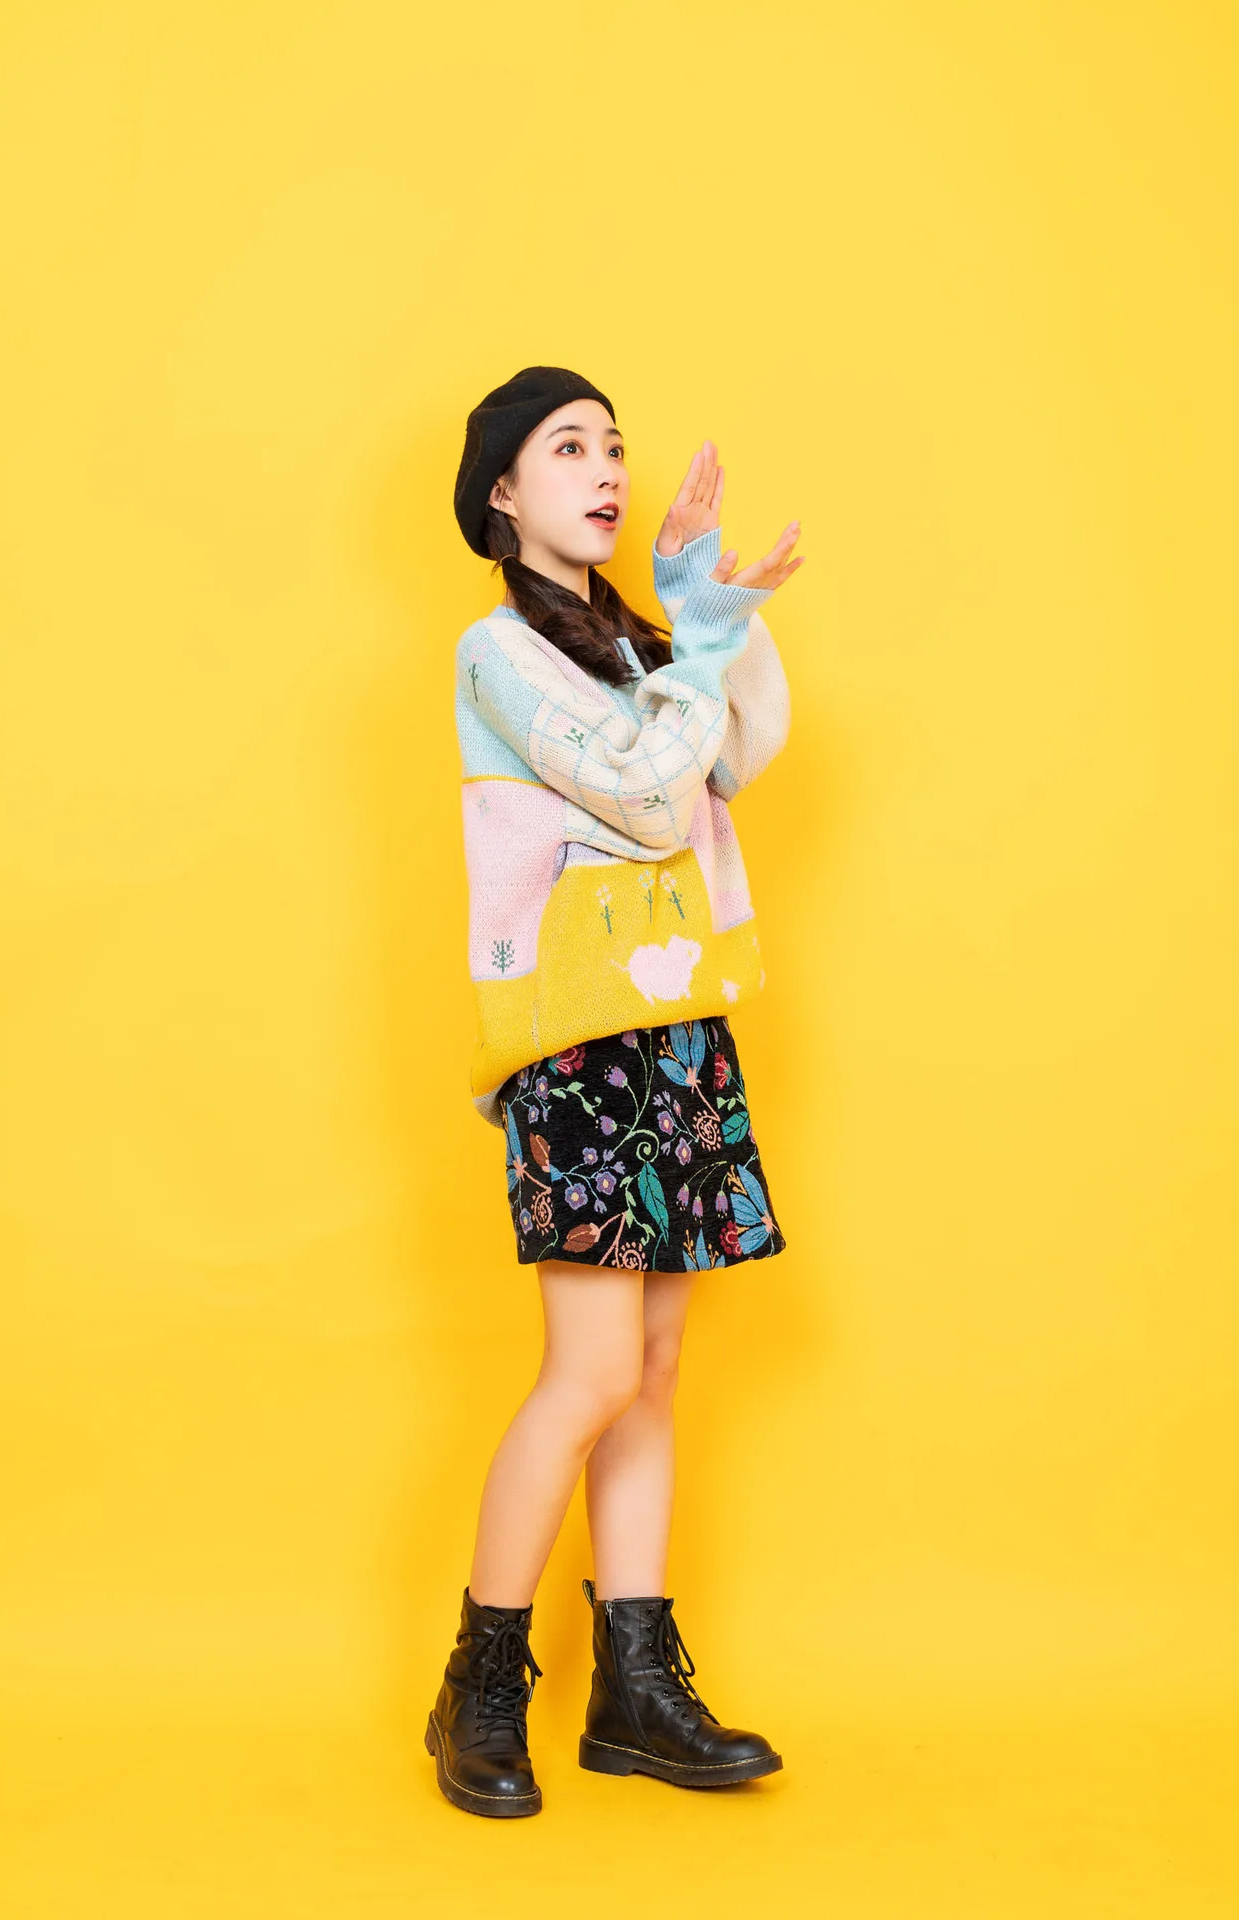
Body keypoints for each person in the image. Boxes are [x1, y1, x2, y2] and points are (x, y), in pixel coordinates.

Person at [427, 366, 802, 1818]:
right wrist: (691, 656)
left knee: (650, 1373)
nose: (605, 468)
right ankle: (480, 1684)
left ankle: (634, 1695)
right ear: (502, 492)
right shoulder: (498, 653)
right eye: (567, 446)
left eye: (614, 447)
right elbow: (648, 798)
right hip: (577, 1041)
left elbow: (736, 758)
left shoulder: (637, 652)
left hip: (678, 1025)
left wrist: (714, 618)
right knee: (585, 1374)